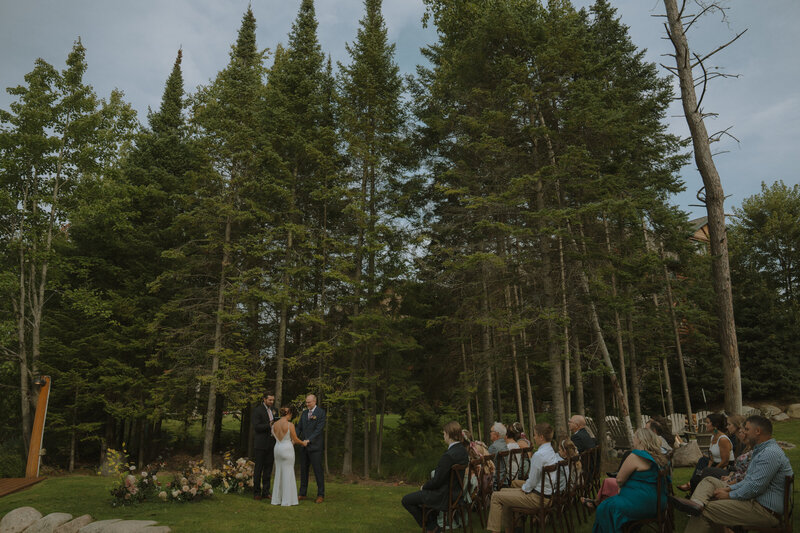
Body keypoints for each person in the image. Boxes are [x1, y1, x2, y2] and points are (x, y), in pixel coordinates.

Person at [671, 415, 793, 533]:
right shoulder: (762, 451)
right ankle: (696, 503)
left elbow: (754, 487)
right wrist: (729, 489)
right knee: (709, 481)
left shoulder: (769, 453)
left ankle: (696, 507)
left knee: (705, 510)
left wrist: (729, 495)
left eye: (747, 429)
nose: (744, 433)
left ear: (758, 431)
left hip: (765, 511)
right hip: (756, 503)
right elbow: (748, 481)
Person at [486, 423, 563, 533]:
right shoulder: (550, 451)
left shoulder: (539, 455)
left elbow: (531, 482)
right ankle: (514, 528)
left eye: (535, 435)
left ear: (541, 437)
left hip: (538, 498)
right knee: (504, 491)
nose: (534, 437)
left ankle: (498, 530)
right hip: (547, 495)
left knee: (496, 496)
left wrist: (524, 489)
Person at [588, 428, 670, 533]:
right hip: (659, 502)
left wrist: (622, 488)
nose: (633, 440)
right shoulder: (660, 457)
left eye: (634, 437)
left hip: (641, 503)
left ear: (640, 440)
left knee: (605, 507)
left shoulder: (635, 456)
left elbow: (619, 479)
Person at [402, 421, 470, 533]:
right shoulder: (463, 451)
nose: (443, 436)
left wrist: (424, 487)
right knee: (423, 504)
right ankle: (433, 525)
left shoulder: (448, 456)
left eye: (444, 433)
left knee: (406, 500)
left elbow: (437, 481)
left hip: (444, 496)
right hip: (456, 494)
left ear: (448, 434)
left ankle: (432, 528)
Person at [678, 413, 733, 493]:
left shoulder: (723, 439)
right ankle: (693, 485)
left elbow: (725, 461)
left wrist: (712, 470)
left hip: (725, 467)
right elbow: (711, 458)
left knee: (704, 471)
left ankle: (692, 487)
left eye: (707, 423)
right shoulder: (713, 437)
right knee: (703, 460)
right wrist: (708, 467)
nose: (705, 425)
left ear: (715, 425)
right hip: (715, 463)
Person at [270, 405, 307, 506]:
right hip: (287, 449)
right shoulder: (290, 424)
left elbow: (275, 436)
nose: (291, 416)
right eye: (291, 414)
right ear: (288, 414)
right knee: (288, 473)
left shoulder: (274, 425)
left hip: (277, 449)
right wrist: (303, 443)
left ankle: (276, 500)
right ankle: (287, 500)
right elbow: (295, 439)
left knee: (278, 473)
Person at [297, 394, 326, 503]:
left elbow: (318, 430)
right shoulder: (304, 413)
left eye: (309, 402)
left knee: (318, 471)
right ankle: (302, 493)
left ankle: (320, 494)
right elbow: (299, 427)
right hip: (303, 447)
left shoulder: (321, 413)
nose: (307, 404)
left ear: (314, 401)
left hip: (315, 447)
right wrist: (294, 437)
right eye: (306, 402)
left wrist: (309, 440)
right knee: (303, 471)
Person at [251, 392, 277, 500]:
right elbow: (256, 427)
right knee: (258, 469)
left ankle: (266, 492)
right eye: (270, 400)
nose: (271, 402)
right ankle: (257, 493)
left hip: (271, 444)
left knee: (268, 469)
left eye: (272, 400)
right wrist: (269, 425)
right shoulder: (258, 410)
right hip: (261, 444)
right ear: (264, 399)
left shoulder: (274, 410)